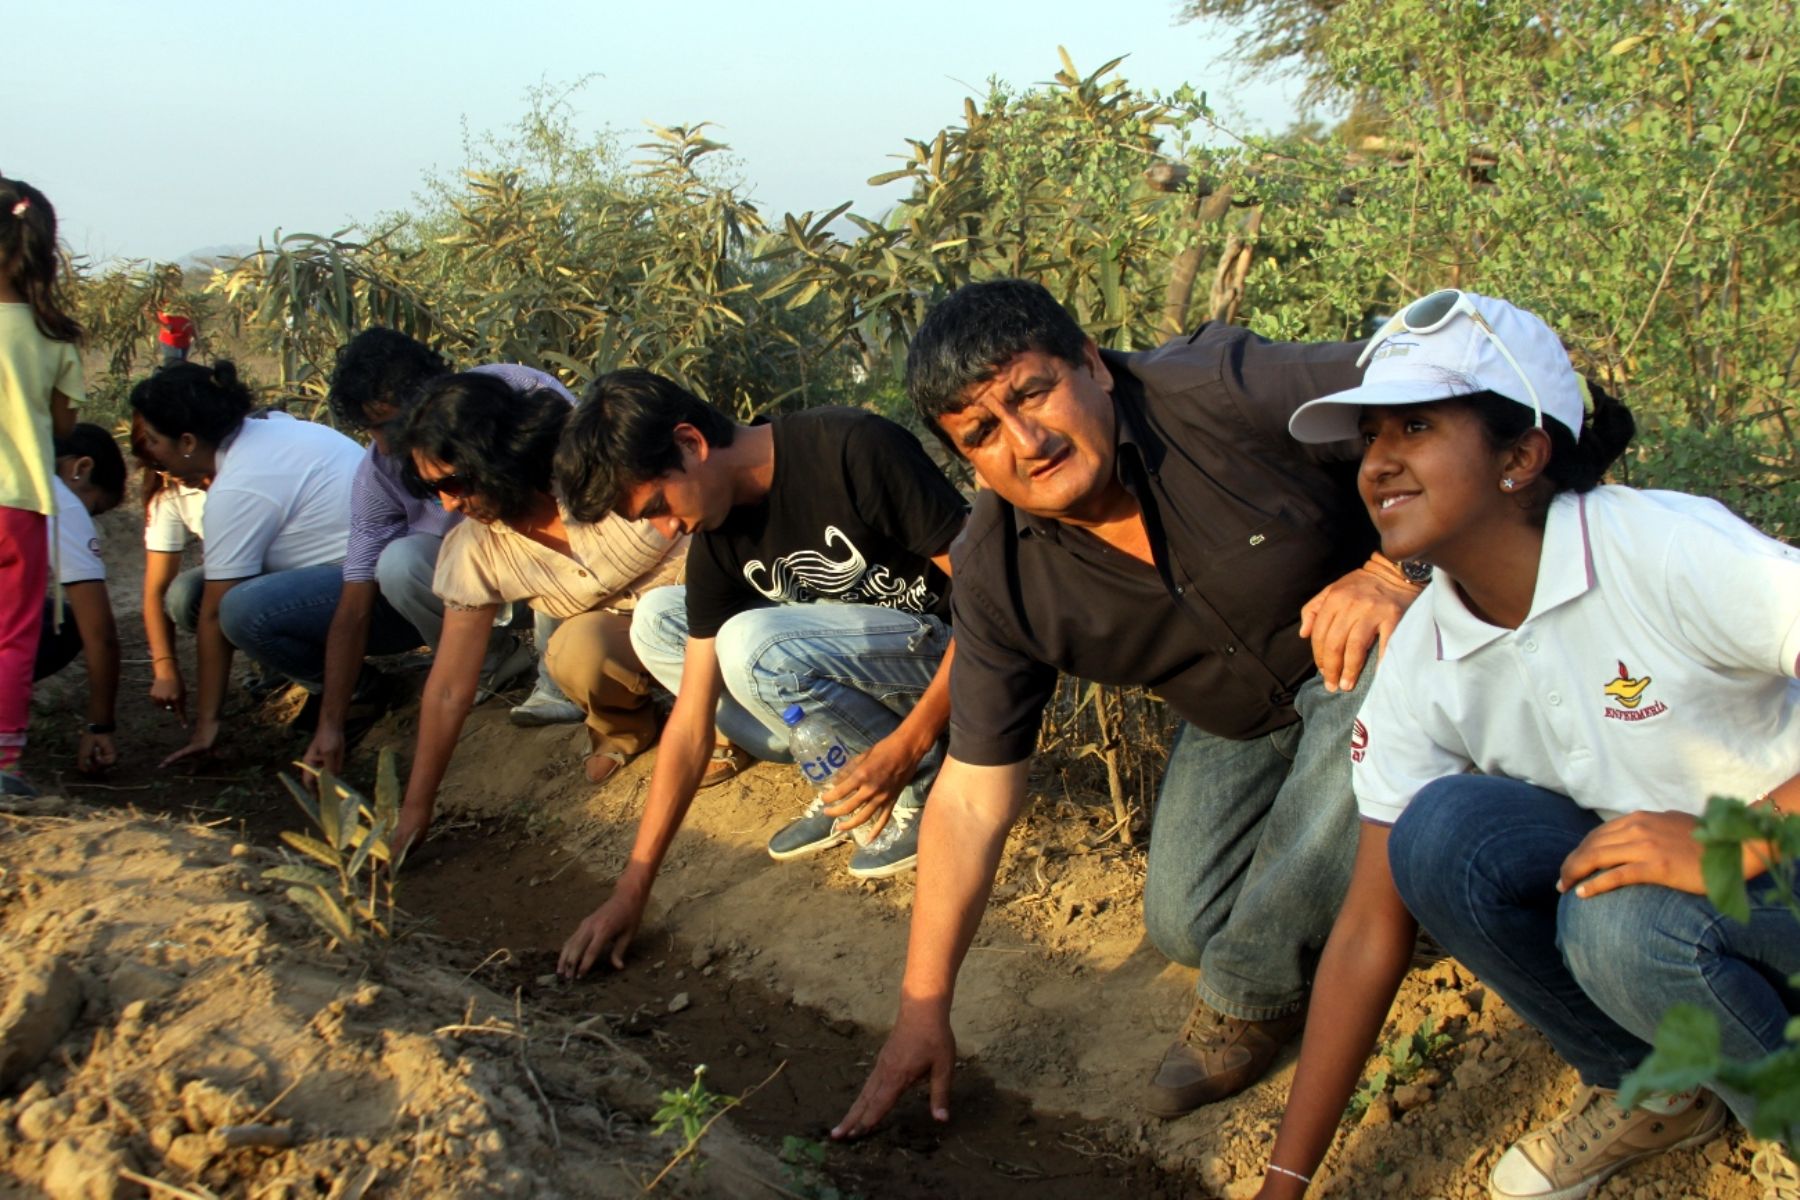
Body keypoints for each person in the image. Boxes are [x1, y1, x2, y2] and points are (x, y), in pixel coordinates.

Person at [834, 278, 1422, 1139]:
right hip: (1242, 724)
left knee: (1371, 688)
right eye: (983, 433)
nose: (1026, 441)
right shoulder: (998, 575)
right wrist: (923, 1008)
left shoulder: (1218, 392)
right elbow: (969, 797)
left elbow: (1439, 384)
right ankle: (1377, 884)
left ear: (1093, 367)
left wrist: (1394, 571)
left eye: (1034, 392)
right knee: (1184, 925)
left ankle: (1248, 997)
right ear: (967, 461)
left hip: (1377, 646)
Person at [1253, 290, 1799, 1199]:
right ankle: (1653, 1089)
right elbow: (1369, 926)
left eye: (1415, 427)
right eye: (1370, 439)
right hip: (1681, 910)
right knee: (1442, 831)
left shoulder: (1661, 549)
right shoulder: (1428, 649)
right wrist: (1282, 1182)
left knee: (1617, 923)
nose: (1378, 465)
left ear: (1521, 455)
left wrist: (1737, 837)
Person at [553, 369, 968, 979]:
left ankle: (915, 790)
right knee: (659, 619)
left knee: (747, 639)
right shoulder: (719, 538)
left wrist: (910, 745)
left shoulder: (850, 448)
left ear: (691, 443)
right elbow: (691, 724)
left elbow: (992, 600)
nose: (666, 529)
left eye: (660, 506)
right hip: (847, 663)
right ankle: (843, 779)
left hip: (946, 659)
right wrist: (631, 890)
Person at [389, 370, 685, 852]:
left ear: (499, 455)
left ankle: (714, 726)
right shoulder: (475, 552)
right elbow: (447, 689)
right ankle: (626, 727)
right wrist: (416, 808)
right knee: (572, 649)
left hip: (714, 606)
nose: (448, 504)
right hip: (637, 637)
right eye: (433, 490)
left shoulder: (599, 466)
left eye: (457, 482)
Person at [297, 330, 582, 778]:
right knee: (397, 562)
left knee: (538, 525)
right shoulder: (379, 473)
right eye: (370, 430)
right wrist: (330, 724)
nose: (383, 443)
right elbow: (354, 606)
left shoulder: (520, 393)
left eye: (388, 425)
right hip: (483, 588)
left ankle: (560, 682)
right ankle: (493, 661)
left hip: (570, 565)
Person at [130, 362, 364, 766]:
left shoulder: (239, 484)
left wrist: (208, 724)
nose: (150, 451)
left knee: (237, 611)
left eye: (153, 439)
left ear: (187, 441)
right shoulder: (270, 430)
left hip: (368, 599)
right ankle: (318, 680)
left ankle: (356, 690)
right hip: (348, 579)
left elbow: (216, 615)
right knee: (193, 594)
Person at [0, 178, 83, 795]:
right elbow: (61, 425)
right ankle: (3, 769)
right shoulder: (54, 338)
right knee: (11, 637)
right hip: (17, 505)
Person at [34, 424, 128, 773]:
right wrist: (99, 725)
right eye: (94, 508)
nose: (87, 515)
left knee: (41, 613)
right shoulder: (60, 498)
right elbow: (100, 635)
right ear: (81, 468)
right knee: (64, 626)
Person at [133, 413, 212, 724]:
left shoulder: (241, 470)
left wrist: (209, 715)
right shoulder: (168, 489)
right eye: (158, 466)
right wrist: (165, 668)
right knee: (185, 597)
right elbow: (157, 588)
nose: (171, 473)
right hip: (239, 574)